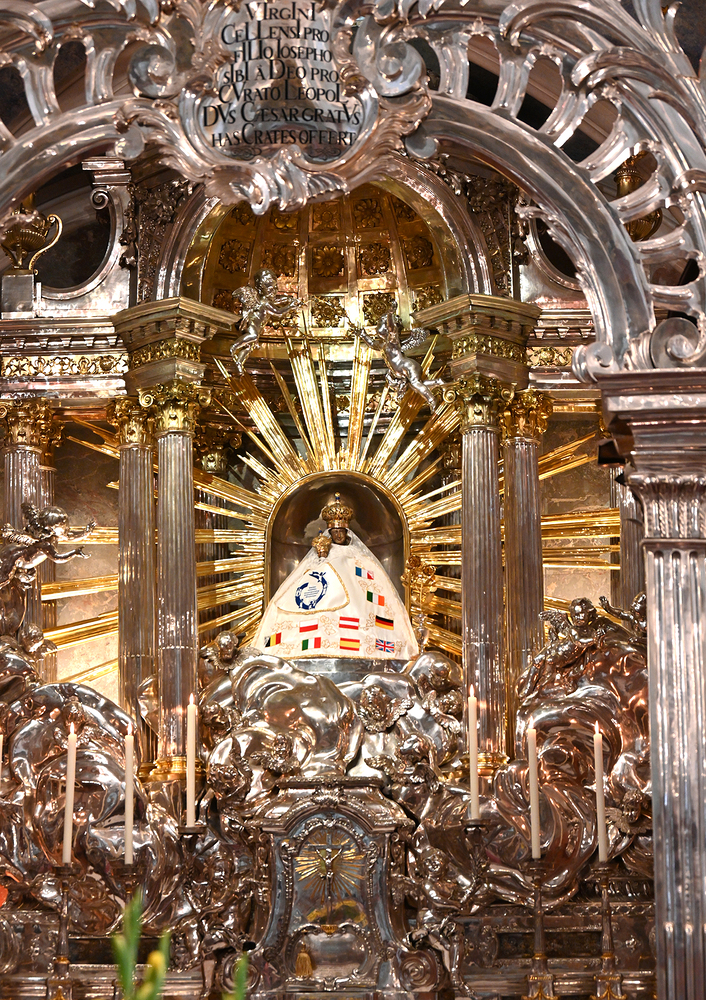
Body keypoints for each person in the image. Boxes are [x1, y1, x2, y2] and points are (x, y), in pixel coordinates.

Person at [252, 493, 418, 661]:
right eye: (335, 532)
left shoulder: (359, 559)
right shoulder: (319, 558)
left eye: (341, 532)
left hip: (356, 604)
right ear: (330, 533)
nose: (339, 536)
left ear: (347, 532)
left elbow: (370, 584)